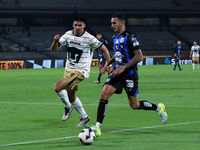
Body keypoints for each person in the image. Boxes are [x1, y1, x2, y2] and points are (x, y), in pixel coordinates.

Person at [88, 13, 168, 136]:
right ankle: (97, 127)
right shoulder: (115, 37)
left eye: (114, 23)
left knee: (134, 105)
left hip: (129, 74)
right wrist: (107, 65)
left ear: (121, 23)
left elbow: (139, 56)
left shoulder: (130, 37)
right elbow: (117, 54)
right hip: (116, 73)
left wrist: (123, 68)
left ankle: (159, 108)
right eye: (111, 23)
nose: (112, 25)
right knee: (104, 94)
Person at [50, 15, 110, 127]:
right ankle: (84, 117)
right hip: (68, 69)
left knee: (58, 87)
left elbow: (104, 49)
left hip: (80, 71)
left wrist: (108, 65)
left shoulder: (89, 38)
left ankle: (68, 107)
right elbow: (54, 48)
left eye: (80, 25)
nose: (77, 27)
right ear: (73, 25)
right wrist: (55, 41)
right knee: (71, 96)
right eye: (75, 25)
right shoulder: (68, 34)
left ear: (84, 26)